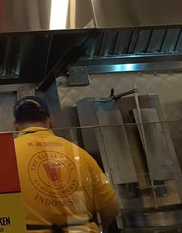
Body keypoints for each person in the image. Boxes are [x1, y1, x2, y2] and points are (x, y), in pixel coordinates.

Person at [13, 96, 119, 233]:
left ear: (15, 126)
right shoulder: (81, 154)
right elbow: (111, 207)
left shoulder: (6, 155)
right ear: (50, 121)